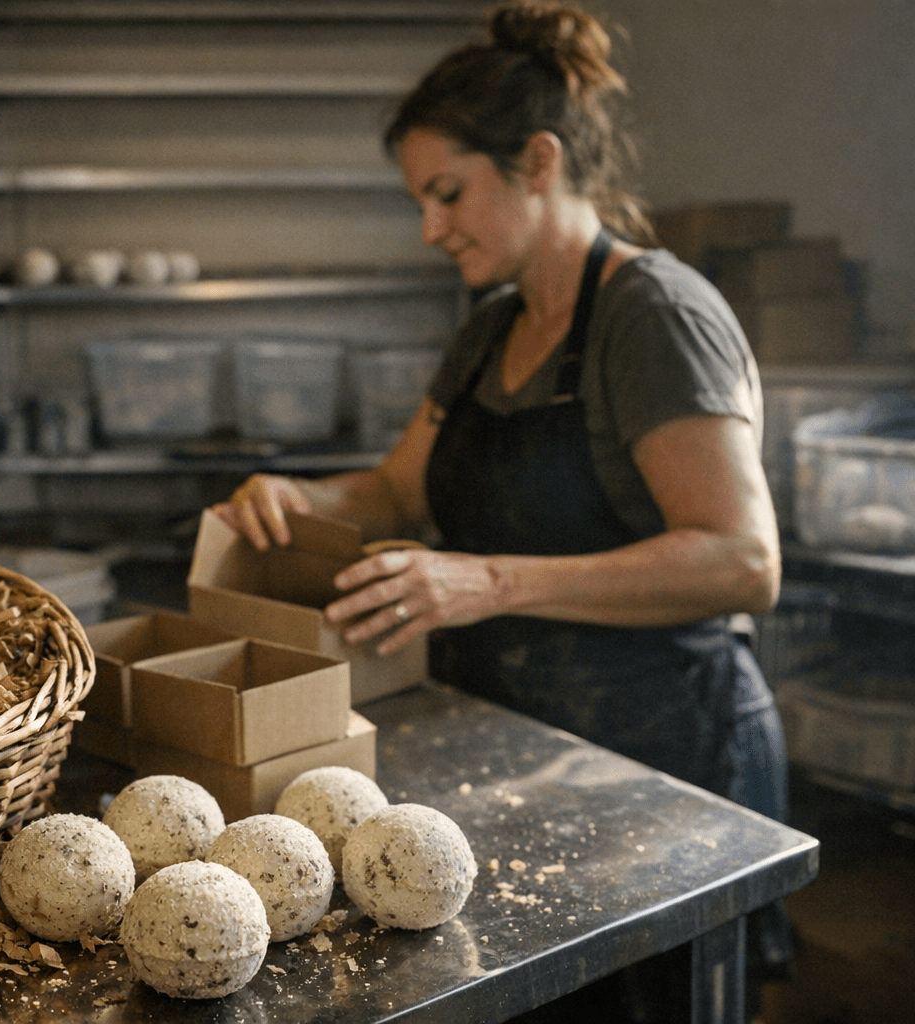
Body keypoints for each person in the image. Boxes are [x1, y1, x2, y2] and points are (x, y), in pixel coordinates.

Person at [212, 2, 791, 1019]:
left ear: (537, 162)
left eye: (447, 194)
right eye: (419, 203)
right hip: (534, 746)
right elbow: (397, 488)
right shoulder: (489, 330)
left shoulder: (655, 316)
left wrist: (482, 581)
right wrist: (297, 497)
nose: (431, 228)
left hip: (668, 757)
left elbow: (742, 561)